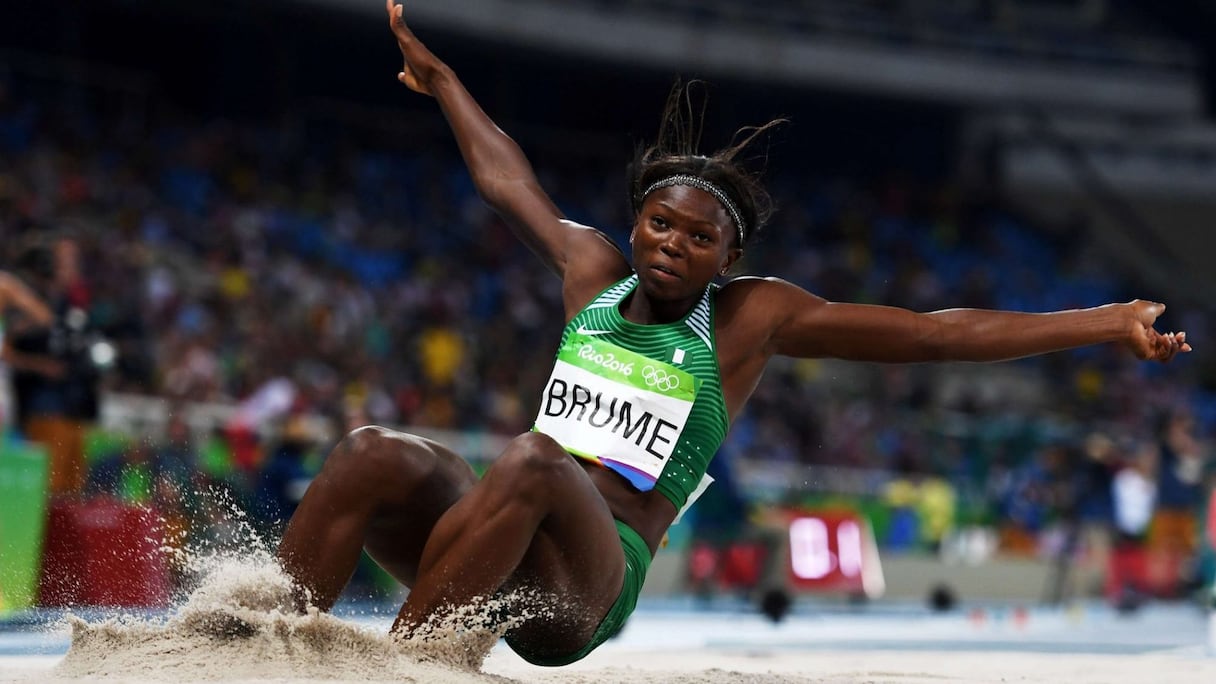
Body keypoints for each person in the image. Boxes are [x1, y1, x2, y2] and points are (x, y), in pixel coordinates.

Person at [276, 0, 1191, 667]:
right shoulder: (594, 272)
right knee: (371, 451)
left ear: (729, 254)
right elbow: (507, 183)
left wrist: (1105, 320)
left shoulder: (752, 318)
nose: (673, 247)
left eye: (698, 239)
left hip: (586, 590)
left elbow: (929, 335)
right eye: (660, 227)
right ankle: (277, 643)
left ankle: (397, 668)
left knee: (531, 460)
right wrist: (442, 82)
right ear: (636, 225)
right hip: (493, 547)